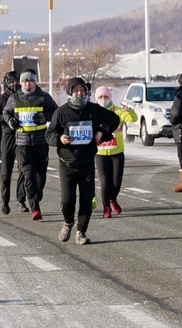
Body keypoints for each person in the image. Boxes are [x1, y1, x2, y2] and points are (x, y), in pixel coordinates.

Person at [47, 77, 119, 245]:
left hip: (87, 164)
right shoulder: (62, 112)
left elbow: (114, 119)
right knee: (67, 201)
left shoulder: (93, 109)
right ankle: (68, 222)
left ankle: (81, 232)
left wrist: (102, 131)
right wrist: (60, 138)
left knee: (86, 200)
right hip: (67, 165)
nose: (79, 93)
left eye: (82, 90)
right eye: (76, 90)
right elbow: (49, 134)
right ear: (70, 92)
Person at [3, 69, 58, 220]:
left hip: (40, 142)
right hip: (22, 143)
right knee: (28, 175)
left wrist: (44, 117)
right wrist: (11, 121)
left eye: (31, 81)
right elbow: (6, 113)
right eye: (25, 81)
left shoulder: (44, 97)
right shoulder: (14, 98)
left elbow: (56, 112)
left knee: (41, 175)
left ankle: (36, 196)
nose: (28, 84)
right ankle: (35, 208)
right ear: (21, 83)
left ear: (35, 82)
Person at [94, 85, 137, 218]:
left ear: (110, 97)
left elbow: (133, 119)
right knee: (105, 182)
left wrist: (129, 111)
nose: (103, 99)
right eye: (100, 97)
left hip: (117, 152)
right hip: (100, 153)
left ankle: (113, 199)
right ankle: (106, 207)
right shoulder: (94, 112)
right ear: (96, 98)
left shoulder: (117, 111)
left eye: (106, 96)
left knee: (116, 182)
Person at [0, 71, 27, 215]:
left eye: (16, 81)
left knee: (24, 169)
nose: (14, 84)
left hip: (23, 135)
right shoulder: (1, 99)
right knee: (6, 171)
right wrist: (6, 119)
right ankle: (5, 201)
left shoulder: (24, 96)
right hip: (8, 136)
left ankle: (21, 200)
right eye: (11, 82)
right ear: (6, 83)